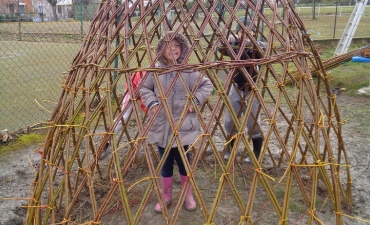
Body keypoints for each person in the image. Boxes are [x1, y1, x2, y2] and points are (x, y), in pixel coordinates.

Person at [140, 31, 213, 213]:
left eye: (177, 46)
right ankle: (166, 195)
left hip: (183, 127)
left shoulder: (189, 71)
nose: (173, 49)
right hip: (162, 126)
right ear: (161, 50)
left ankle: (187, 194)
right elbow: (144, 88)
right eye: (168, 46)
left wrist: (194, 100)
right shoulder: (155, 70)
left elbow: (207, 85)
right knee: (165, 162)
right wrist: (153, 103)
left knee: (184, 162)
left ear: (183, 48)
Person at [219, 17, 266, 163]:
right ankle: (230, 149)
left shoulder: (258, 46)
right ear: (237, 33)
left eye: (249, 32)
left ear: (254, 32)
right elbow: (220, 48)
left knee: (253, 123)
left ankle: (256, 152)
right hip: (236, 88)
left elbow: (263, 51)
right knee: (230, 121)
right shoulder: (233, 47)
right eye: (241, 32)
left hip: (252, 90)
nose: (245, 35)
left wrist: (249, 43)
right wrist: (231, 41)